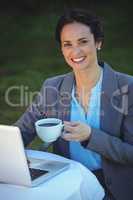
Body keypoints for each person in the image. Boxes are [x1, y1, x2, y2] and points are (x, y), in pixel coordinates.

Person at [14, 9, 133, 200]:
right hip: (67, 184)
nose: (75, 52)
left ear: (98, 42)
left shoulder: (128, 87)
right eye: (67, 44)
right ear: (61, 49)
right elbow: (21, 132)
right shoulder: (52, 87)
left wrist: (92, 136)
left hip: (113, 188)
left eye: (83, 42)